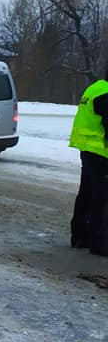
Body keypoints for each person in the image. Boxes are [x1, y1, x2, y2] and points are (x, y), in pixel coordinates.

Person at [69, 67, 108, 256]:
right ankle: (99, 242)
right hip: (101, 152)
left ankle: (79, 235)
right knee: (101, 198)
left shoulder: (96, 87)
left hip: (88, 148)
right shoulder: (106, 94)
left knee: (87, 193)